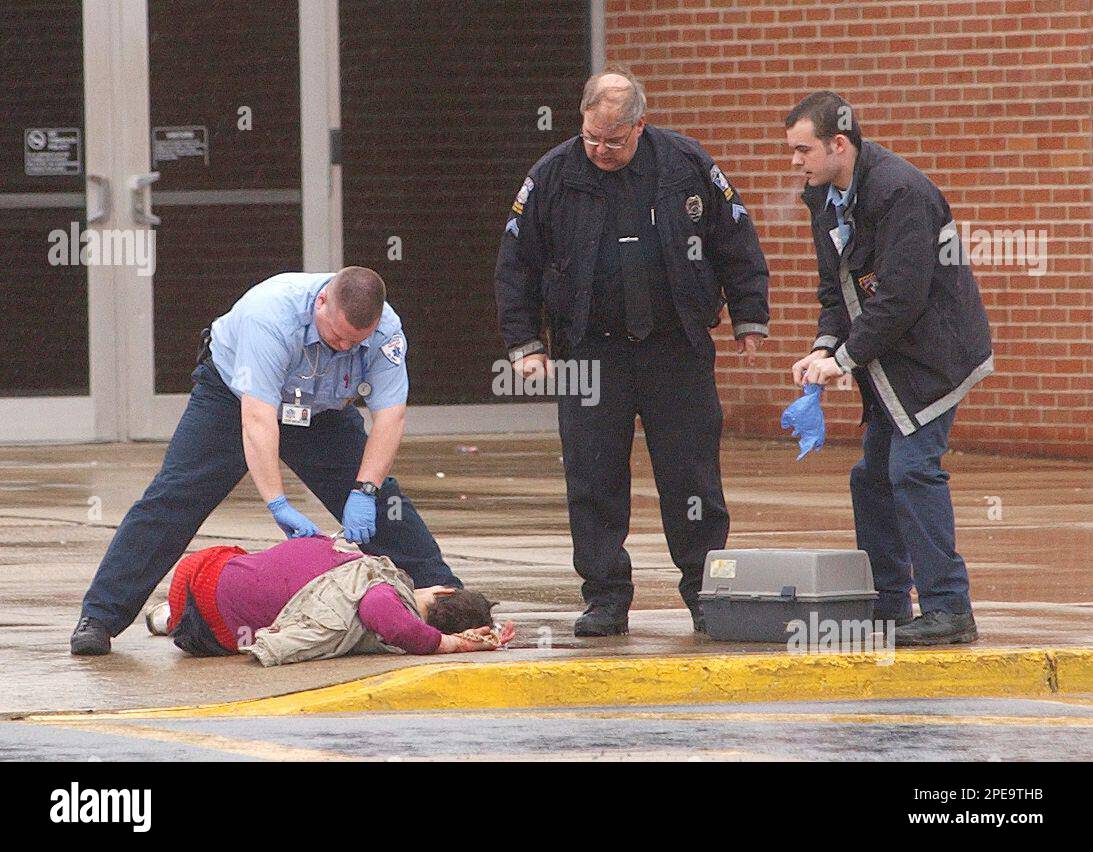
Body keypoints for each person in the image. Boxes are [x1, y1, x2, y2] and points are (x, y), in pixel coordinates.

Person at [495, 69, 770, 636]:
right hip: (587, 354)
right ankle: (605, 597)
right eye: (592, 137)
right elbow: (515, 266)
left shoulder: (686, 164)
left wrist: (749, 315)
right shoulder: (553, 176)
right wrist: (525, 345)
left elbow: (734, 239)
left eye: (613, 140)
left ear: (640, 125)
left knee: (692, 476)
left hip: (677, 347)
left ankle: (705, 591)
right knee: (593, 479)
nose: (600, 150)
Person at [71, 267, 461, 656]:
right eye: (337, 335)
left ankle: (453, 602)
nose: (344, 347)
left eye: (354, 342)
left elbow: (390, 417)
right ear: (321, 301)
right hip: (234, 399)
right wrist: (277, 503)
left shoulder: (386, 333)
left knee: (384, 505)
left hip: (319, 411)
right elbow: (257, 418)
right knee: (175, 497)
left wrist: (365, 489)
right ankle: (100, 617)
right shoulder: (271, 314)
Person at [785, 91, 993, 645]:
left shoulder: (901, 193)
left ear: (838, 143)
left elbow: (901, 298)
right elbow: (837, 290)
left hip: (934, 354)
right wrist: (824, 347)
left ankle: (950, 608)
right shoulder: (824, 197)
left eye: (804, 150)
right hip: (887, 357)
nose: (797, 162)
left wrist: (844, 360)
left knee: (911, 471)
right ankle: (890, 604)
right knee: (871, 477)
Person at [151, 536, 514, 662]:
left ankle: (169, 616)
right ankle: (169, 618)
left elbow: (383, 613)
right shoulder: (376, 617)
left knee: (256, 567)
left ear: (443, 591)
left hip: (201, 575)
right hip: (210, 631)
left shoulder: (380, 588)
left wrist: (447, 644)